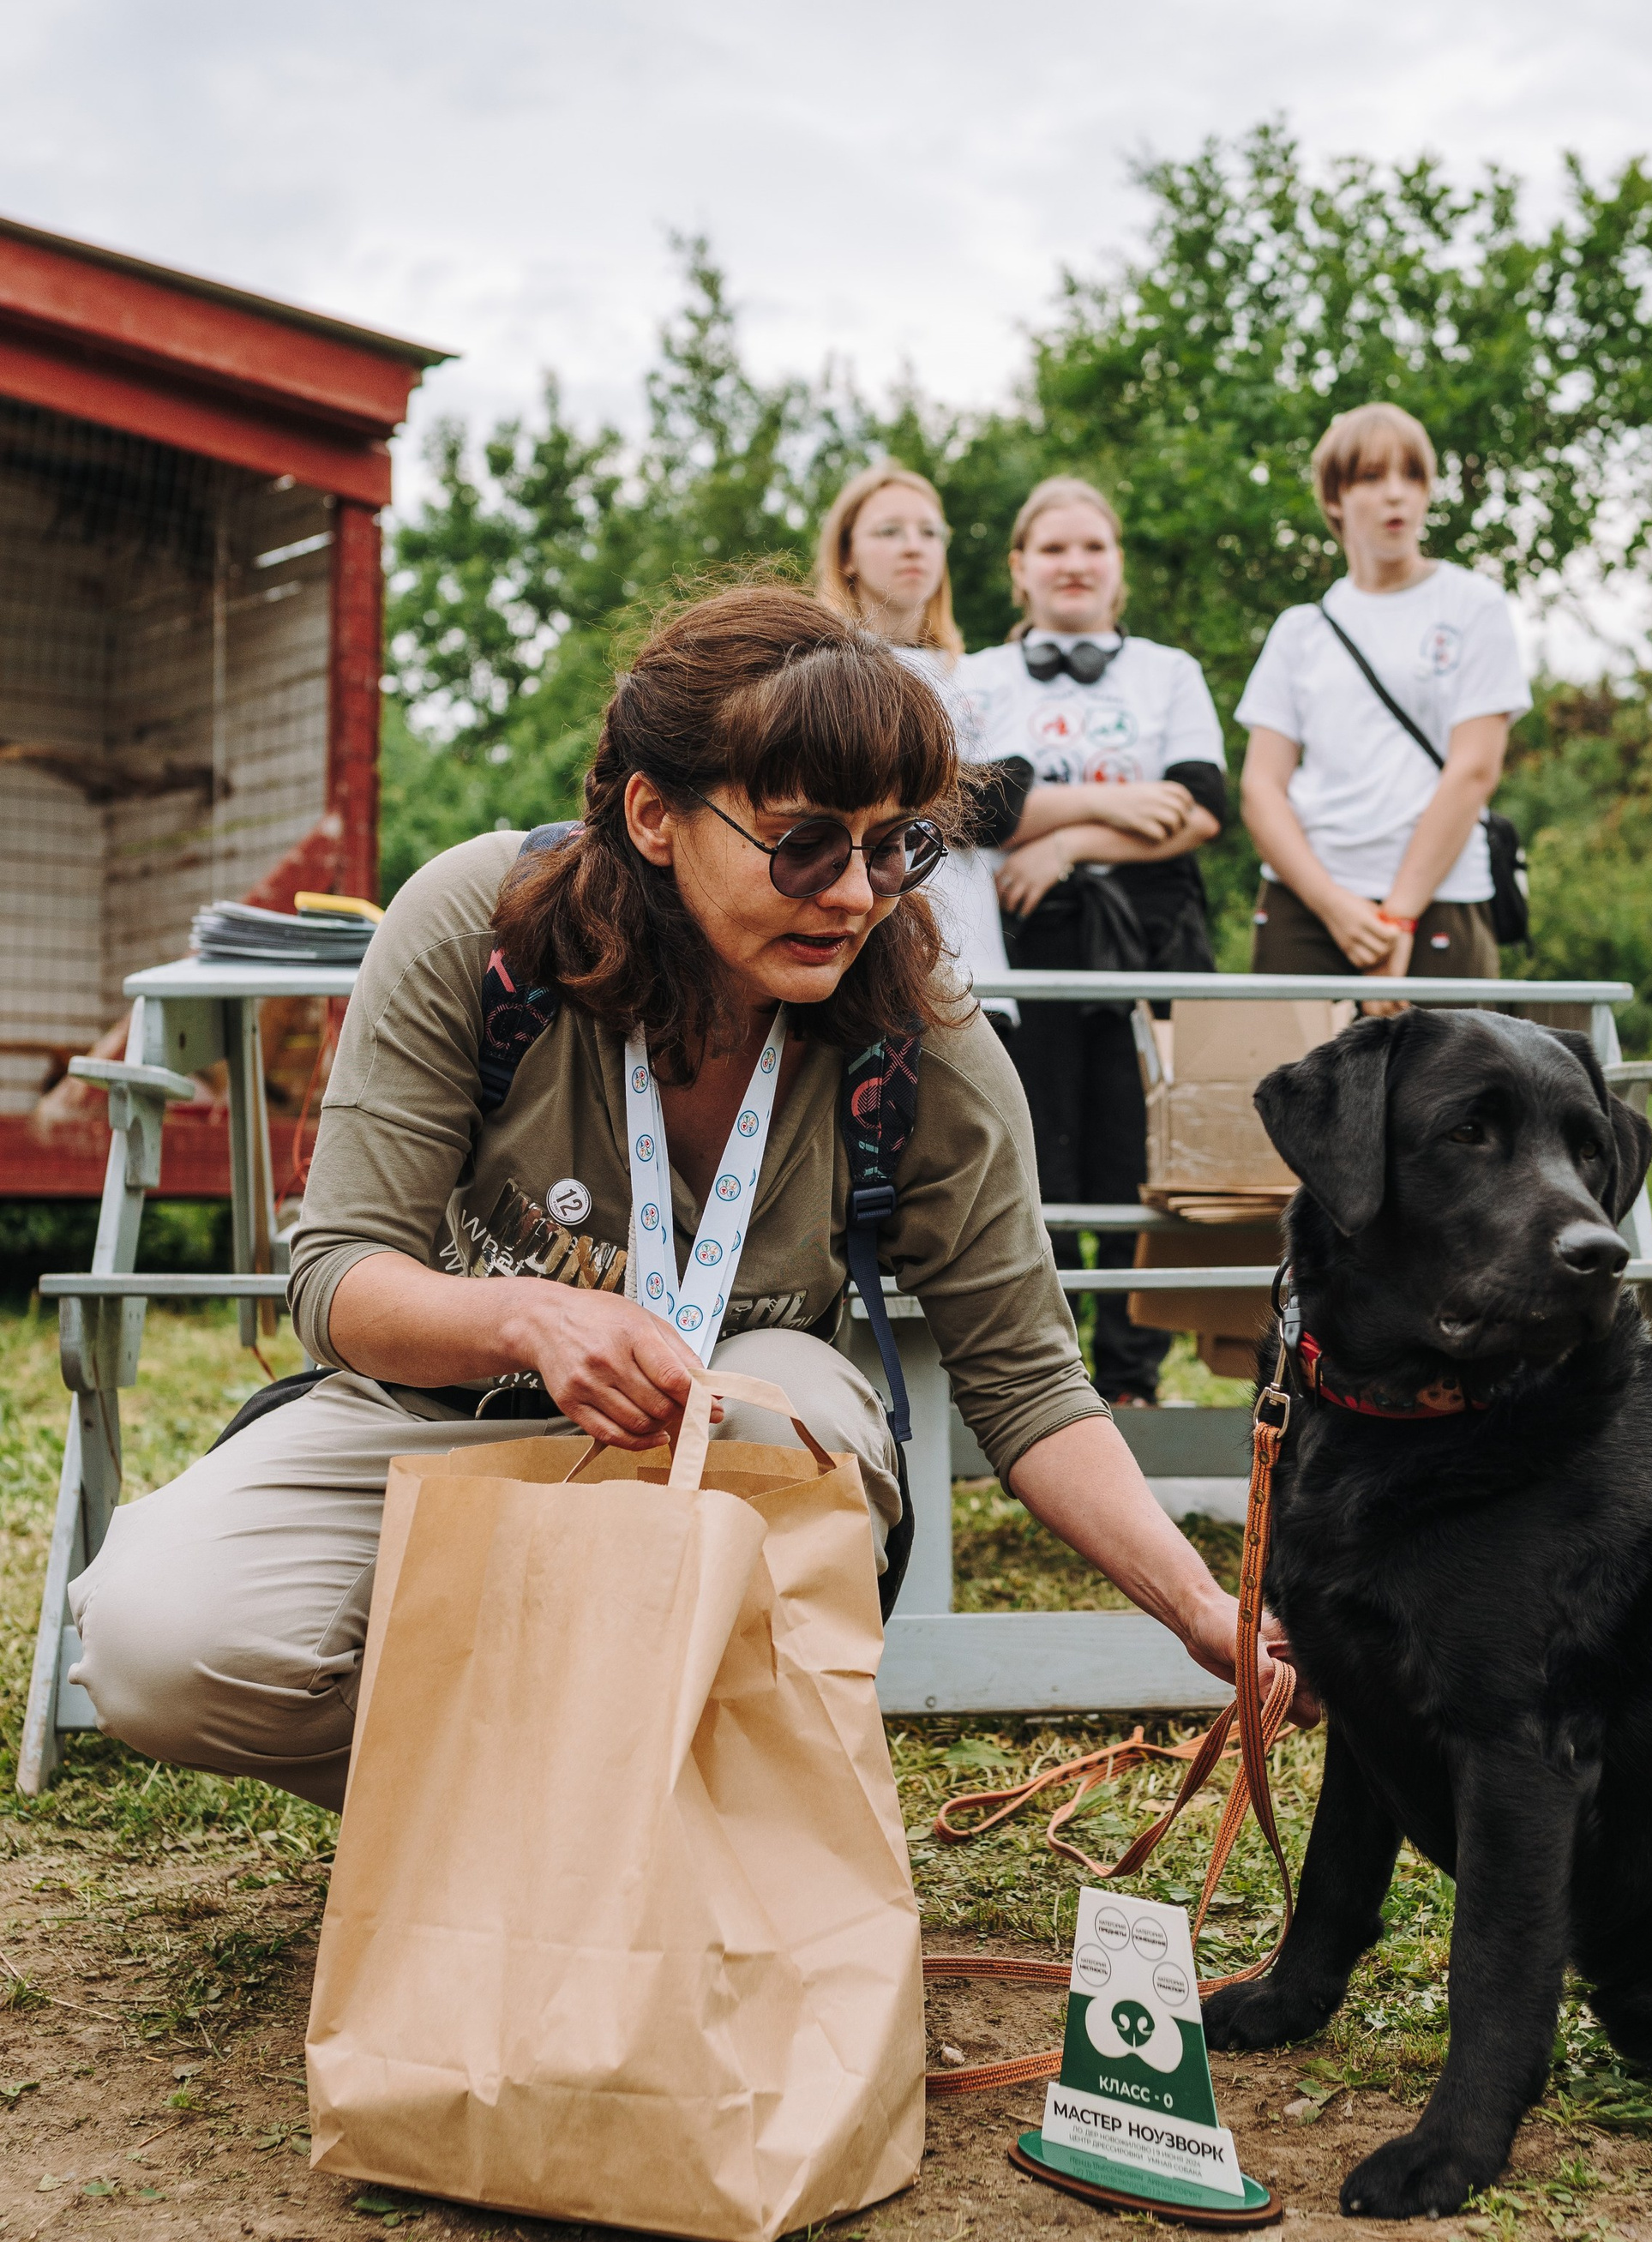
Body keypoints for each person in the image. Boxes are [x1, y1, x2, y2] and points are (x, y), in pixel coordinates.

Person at [68, 590, 1283, 1807]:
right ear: (654, 814)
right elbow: (338, 1276)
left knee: (787, 1409)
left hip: (721, 1447)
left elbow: (1027, 1384)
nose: (858, 894)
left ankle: (612, 1825)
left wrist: (1198, 1607)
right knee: (159, 1644)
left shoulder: (923, 1039)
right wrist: (529, 1320)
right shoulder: (481, 927)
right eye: (804, 842)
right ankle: (548, 1815)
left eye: (893, 844)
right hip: (439, 1414)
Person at [957, 479, 1226, 1408]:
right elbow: (979, 806)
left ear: (1118, 568)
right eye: (1054, 548)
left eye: (1093, 548)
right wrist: (1116, 800)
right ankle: (1045, 1382)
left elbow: (1200, 806)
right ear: (1019, 569)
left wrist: (1064, 837)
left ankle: (1131, 1380)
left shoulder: (1167, 669)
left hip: (1151, 935)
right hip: (1022, 938)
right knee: (1039, 1150)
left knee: (1138, 1150)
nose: (1074, 564)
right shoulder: (979, 676)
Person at [1236, 402, 1531, 984]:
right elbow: (1260, 787)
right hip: (1306, 909)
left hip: (1442, 898)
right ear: (1334, 498)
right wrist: (1334, 908)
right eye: (1372, 477)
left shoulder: (1474, 605)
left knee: (1449, 1080)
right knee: (1296, 1080)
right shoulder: (1301, 630)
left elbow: (1475, 768)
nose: (1396, 494)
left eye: (1412, 476)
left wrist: (1396, 918)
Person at [814, 460, 1026, 1020]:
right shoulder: (812, 669)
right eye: (889, 531)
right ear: (847, 555)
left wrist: (885, 787)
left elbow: (1001, 808)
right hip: (849, 958)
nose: (914, 546)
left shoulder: (987, 675)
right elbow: (823, 796)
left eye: (930, 531)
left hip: (975, 972)